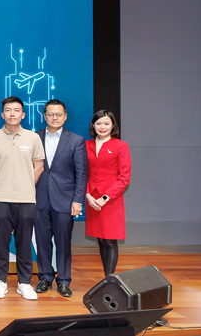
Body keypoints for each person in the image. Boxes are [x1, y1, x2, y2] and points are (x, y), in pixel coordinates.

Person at [0, 96, 45, 300]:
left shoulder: (33, 138)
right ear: (2, 114)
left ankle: (24, 283)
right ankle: (0, 282)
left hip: (26, 199)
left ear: (23, 114)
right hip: (0, 197)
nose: (12, 114)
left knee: (24, 242)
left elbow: (39, 166)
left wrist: (26, 184)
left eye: (16, 110)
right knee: (1, 242)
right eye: (8, 110)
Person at [34, 99, 88, 297]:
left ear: (65, 116)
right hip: (39, 198)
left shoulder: (76, 140)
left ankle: (64, 281)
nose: (54, 117)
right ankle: (45, 277)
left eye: (58, 114)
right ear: (44, 116)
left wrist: (78, 200)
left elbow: (81, 173)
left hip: (65, 200)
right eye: (50, 114)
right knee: (42, 241)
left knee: (63, 242)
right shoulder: (34, 138)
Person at [85, 110, 132, 277]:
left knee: (110, 240)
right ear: (93, 125)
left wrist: (105, 198)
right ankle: (107, 279)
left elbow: (124, 178)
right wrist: (88, 195)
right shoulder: (86, 145)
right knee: (100, 240)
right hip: (92, 199)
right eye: (98, 123)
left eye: (106, 123)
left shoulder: (121, 146)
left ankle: (110, 279)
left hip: (111, 200)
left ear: (113, 126)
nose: (102, 127)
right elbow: (83, 173)